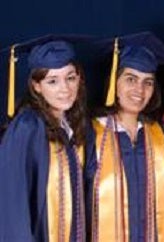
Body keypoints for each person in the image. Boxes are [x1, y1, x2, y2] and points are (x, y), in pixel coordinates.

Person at [86, 32, 164, 242]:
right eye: (130, 79)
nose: (139, 89)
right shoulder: (91, 134)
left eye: (148, 82)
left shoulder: (161, 135)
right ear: (114, 83)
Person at [0, 35, 91, 241]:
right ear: (36, 86)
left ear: (79, 79)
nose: (65, 88)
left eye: (70, 77)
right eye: (52, 81)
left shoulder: (71, 127)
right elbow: (12, 203)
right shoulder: (27, 126)